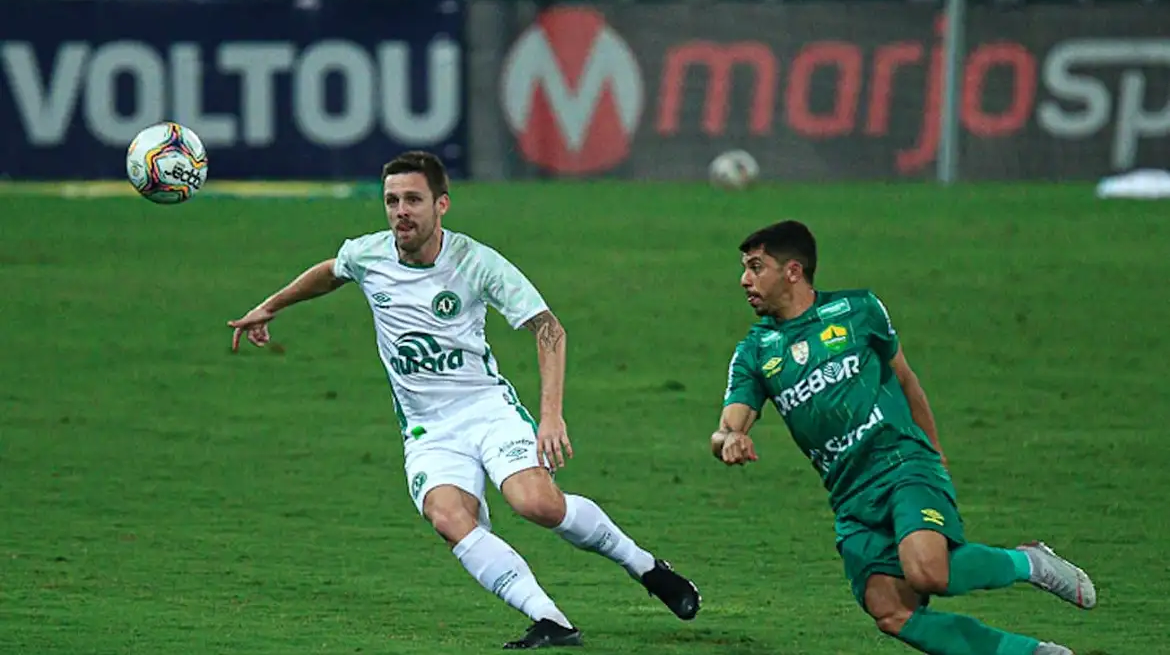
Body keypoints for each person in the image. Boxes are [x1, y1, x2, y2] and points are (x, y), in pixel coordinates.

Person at [228, 151, 700, 649]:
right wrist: (269, 306)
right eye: (392, 201)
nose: (400, 212)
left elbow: (548, 329)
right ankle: (551, 620)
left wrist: (550, 415)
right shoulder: (368, 256)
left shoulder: (475, 262)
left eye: (413, 199)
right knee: (449, 517)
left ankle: (645, 567)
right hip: (428, 430)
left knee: (536, 504)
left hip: (488, 411)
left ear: (442, 205)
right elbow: (331, 270)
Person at [709, 220, 1095, 655]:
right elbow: (729, 425)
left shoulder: (860, 310)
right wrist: (729, 440)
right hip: (849, 494)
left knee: (927, 572)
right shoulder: (756, 351)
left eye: (756, 267)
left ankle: (1029, 562)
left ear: (793, 271)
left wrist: (933, 454)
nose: (744, 280)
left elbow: (907, 382)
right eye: (744, 268)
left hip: (901, 463)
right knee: (890, 611)